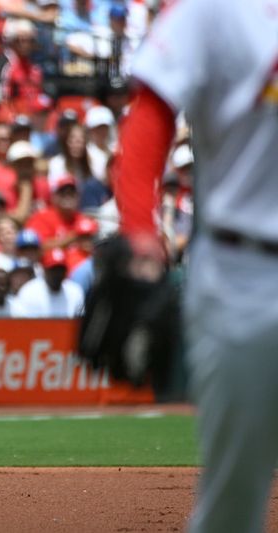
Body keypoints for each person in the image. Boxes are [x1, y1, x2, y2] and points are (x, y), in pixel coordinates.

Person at [113, 1, 278, 530]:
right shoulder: (212, 9)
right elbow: (150, 117)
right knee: (234, 501)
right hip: (245, 273)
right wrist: (140, 230)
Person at [13, 247, 83, 318]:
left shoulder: (75, 291)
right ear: (44, 270)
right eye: (53, 270)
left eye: (60, 269)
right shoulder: (29, 292)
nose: (57, 274)